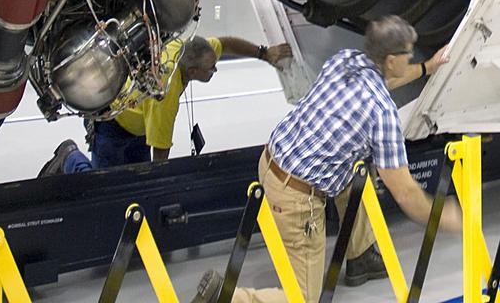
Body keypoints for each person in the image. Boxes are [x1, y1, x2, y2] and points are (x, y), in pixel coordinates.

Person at [195, 16, 462, 303]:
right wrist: (440, 214)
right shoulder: (382, 113)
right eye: (407, 53)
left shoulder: (344, 60)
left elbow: (386, 79)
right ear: (391, 60)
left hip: (272, 159)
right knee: (303, 298)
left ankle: (359, 255)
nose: (411, 57)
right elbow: (405, 192)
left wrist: (427, 68)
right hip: (295, 198)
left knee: (353, 172)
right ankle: (226, 297)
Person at [39, 34, 292, 175]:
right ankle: (69, 157)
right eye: (210, 69)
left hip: (138, 125)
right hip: (112, 123)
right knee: (101, 185)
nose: (215, 69)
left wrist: (264, 53)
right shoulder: (165, 94)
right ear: (192, 71)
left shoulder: (190, 48)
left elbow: (225, 43)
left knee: (136, 180)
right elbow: (161, 154)